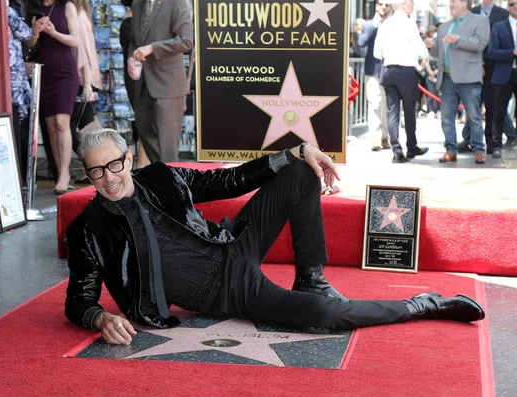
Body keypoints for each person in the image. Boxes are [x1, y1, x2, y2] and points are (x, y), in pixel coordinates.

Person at [64, 128, 485, 345]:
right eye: (96, 171)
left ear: (128, 158)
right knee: (323, 318)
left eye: (114, 165)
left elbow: (229, 181)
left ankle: (311, 275)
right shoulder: (87, 229)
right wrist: (98, 317)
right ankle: (420, 306)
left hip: (233, 243)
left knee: (301, 172)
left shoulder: (160, 177)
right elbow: (78, 299)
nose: (109, 179)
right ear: (88, 174)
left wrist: (297, 151)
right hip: (226, 291)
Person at [127, 0, 193, 164]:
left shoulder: (176, 3)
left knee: (168, 142)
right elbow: (135, 42)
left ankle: (171, 180)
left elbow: (186, 40)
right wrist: (130, 57)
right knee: (142, 127)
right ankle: (167, 171)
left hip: (168, 83)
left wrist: (152, 48)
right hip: (142, 83)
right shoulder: (137, 4)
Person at [425, 0, 489, 164]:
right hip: (447, 79)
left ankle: (478, 150)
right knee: (446, 118)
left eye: (453, 1)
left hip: (469, 78)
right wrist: (430, 47)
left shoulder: (480, 20)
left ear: (464, 3)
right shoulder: (443, 27)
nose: (450, 4)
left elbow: (481, 44)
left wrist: (458, 39)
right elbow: (438, 53)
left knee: (474, 117)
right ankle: (450, 150)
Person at [26, 0, 79, 194]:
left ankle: (65, 172)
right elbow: (29, 44)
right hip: (43, 73)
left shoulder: (67, 7)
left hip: (65, 72)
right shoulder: (33, 9)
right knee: (50, 126)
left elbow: (76, 41)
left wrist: (53, 32)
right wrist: (35, 31)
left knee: (62, 122)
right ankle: (59, 172)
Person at [373, 0, 430, 163]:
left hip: (388, 70)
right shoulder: (408, 23)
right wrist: (423, 56)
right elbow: (420, 47)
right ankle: (411, 147)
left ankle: (397, 150)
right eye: (411, 2)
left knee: (392, 111)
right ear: (404, 4)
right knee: (410, 109)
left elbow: (377, 52)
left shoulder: (385, 24)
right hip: (405, 71)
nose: (413, 5)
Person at [460, 0, 516, 154]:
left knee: (494, 105)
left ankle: (496, 139)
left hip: (496, 66)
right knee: (473, 103)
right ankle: (469, 138)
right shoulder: (471, 12)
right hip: (473, 64)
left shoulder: (504, 13)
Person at [7, 1, 37, 182]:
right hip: (15, 79)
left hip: (13, 76)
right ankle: (20, 177)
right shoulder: (7, 9)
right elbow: (27, 33)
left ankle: (21, 177)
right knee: (19, 127)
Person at [356, 1, 392, 152]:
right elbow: (361, 43)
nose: (383, 7)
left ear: (391, 7)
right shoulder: (370, 25)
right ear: (376, 6)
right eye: (380, 4)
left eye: (386, 5)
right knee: (375, 103)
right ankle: (375, 139)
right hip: (373, 71)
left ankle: (385, 138)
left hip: (390, 70)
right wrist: (372, 27)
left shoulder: (394, 24)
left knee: (387, 105)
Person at [120, 0, 150, 169]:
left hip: (139, 76)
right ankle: (142, 164)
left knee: (146, 120)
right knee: (145, 120)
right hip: (138, 78)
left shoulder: (132, 21)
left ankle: (144, 163)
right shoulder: (130, 23)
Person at [71, 0, 102, 157]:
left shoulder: (78, 16)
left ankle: (93, 162)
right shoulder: (83, 14)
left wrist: (87, 84)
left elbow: (84, 53)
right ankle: (98, 161)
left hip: (82, 79)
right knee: (87, 126)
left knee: (72, 128)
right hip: (85, 78)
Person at [486, 3, 517, 158]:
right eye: (512, 4)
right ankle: (496, 145)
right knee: (498, 112)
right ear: (508, 7)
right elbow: (492, 52)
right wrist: (512, 52)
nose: (515, 6)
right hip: (503, 74)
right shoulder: (499, 27)